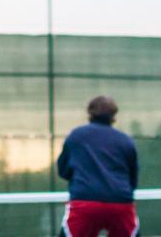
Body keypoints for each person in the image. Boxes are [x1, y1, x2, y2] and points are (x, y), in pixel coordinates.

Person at [56, 96, 139, 237]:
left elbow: (63, 170)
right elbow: (133, 178)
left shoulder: (76, 136)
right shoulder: (126, 141)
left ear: (90, 113)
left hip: (85, 203)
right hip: (120, 203)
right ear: (114, 115)